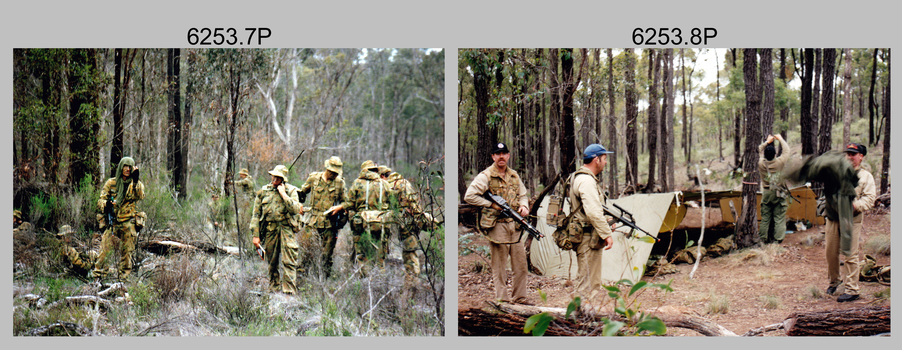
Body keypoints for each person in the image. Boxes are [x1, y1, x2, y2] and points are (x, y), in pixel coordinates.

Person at [463, 142, 531, 304]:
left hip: (514, 225)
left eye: (504, 153)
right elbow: (470, 196)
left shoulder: (514, 175)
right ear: (493, 156)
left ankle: (520, 298)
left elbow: (523, 194)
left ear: (508, 155)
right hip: (497, 225)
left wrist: (524, 206)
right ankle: (502, 300)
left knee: (520, 264)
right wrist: (491, 205)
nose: (501, 156)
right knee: (499, 266)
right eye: (498, 154)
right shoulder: (485, 176)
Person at [825, 143, 876, 302]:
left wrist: (855, 205)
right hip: (833, 218)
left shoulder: (866, 176)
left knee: (850, 254)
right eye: (848, 153)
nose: (849, 157)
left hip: (851, 219)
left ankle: (852, 289)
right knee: (830, 253)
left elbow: (869, 199)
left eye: (853, 154)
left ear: (861, 156)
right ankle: (835, 281)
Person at [569, 144, 616, 299]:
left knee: (591, 281)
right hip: (587, 237)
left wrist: (608, 220)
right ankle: (580, 318)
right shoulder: (586, 181)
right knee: (586, 284)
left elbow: (596, 207)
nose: (606, 162)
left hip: (590, 236)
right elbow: (593, 213)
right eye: (604, 159)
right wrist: (607, 233)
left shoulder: (583, 178)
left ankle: (587, 316)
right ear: (596, 160)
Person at [251, 165, 304, 294]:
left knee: (289, 261)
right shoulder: (263, 191)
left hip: (286, 229)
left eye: (278, 177)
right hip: (271, 229)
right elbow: (256, 215)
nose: (274, 179)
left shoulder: (291, 191)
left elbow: (296, 209)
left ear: (283, 179)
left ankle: (289, 292)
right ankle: (273, 288)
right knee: (271, 261)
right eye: (273, 176)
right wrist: (256, 235)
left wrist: (283, 194)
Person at [93, 157, 145, 282]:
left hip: (128, 221)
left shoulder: (135, 184)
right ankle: (98, 278)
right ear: (121, 167)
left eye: (130, 167)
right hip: (113, 222)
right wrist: (107, 204)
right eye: (125, 166)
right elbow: (100, 201)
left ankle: (123, 281)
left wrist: (136, 180)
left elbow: (140, 196)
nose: (127, 169)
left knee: (127, 253)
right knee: (104, 251)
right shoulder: (111, 183)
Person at [298, 156, 349, 278]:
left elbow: (347, 202)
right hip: (313, 221)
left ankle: (324, 281)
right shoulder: (314, 178)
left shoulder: (340, 183)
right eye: (334, 173)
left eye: (337, 173)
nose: (335, 175)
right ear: (328, 170)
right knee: (307, 251)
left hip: (330, 224)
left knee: (327, 255)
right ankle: (304, 278)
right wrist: (299, 204)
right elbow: (301, 193)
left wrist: (339, 208)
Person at [347, 160, 391, 267]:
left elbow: (350, 204)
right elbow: (392, 203)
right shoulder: (384, 184)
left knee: (362, 256)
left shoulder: (357, 183)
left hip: (361, 224)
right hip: (380, 224)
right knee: (380, 256)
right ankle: (379, 280)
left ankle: (364, 280)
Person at [385, 169, 423, 279]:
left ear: (383, 176)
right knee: (411, 252)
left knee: (409, 253)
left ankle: (412, 280)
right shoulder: (405, 182)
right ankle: (414, 277)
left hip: (406, 220)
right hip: (415, 219)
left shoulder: (390, 185)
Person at [758, 134, 791, 244]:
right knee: (779, 218)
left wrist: (766, 142)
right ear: (775, 154)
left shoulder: (761, 164)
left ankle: (763, 239)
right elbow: (787, 151)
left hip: (766, 192)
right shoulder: (779, 162)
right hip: (778, 193)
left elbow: (756, 151)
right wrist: (780, 139)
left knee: (765, 218)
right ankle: (777, 240)